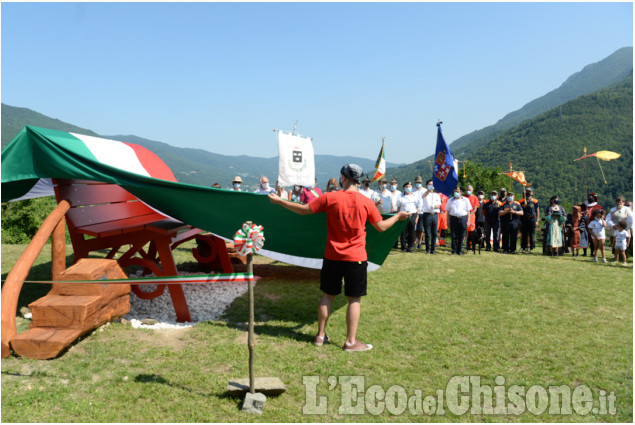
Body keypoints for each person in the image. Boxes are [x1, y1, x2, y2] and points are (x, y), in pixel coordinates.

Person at [267, 163, 409, 351]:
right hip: (356, 257)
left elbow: (304, 210)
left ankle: (319, 335)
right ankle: (350, 342)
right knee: (354, 299)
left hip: (332, 255)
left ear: (343, 178)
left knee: (328, 295)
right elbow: (381, 227)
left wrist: (280, 201)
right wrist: (398, 216)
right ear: (358, 180)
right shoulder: (366, 202)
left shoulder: (330, 197)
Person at [446, 187, 472, 255]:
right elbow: (448, 211)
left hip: (463, 218)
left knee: (461, 235)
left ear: (461, 192)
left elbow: (468, 211)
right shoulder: (450, 200)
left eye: (458, 191)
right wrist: (448, 221)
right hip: (453, 218)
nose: (456, 193)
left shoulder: (465, 200)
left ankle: (459, 250)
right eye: (455, 191)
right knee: (454, 235)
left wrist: (468, 220)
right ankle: (454, 250)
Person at [395, 181, 420, 252]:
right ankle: (403, 247)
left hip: (413, 214)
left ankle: (409, 247)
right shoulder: (400, 196)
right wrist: (398, 216)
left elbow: (417, 207)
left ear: (411, 187)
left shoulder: (415, 196)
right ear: (404, 188)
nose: (408, 188)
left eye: (409, 187)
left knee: (411, 231)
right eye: (406, 187)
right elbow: (398, 207)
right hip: (403, 215)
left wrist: (417, 216)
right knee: (403, 231)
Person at [420, 179, 442, 254]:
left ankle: (433, 249)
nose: (431, 186)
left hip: (435, 214)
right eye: (429, 184)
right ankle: (428, 249)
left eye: (432, 184)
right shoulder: (424, 193)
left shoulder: (437, 195)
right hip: (427, 214)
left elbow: (439, 205)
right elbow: (423, 196)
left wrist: (435, 206)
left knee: (434, 233)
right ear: (427, 185)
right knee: (427, 233)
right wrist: (428, 190)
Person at [518, 188, 540, 253]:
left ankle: (531, 248)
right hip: (524, 218)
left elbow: (537, 211)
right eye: (527, 191)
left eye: (529, 192)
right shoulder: (521, 201)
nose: (528, 193)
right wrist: (519, 220)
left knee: (532, 234)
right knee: (524, 233)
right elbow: (519, 211)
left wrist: (537, 221)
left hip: (532, 218)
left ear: (532, 193)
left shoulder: (535, 201)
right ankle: (523, 247)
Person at [464, 185, 479, 251]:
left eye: (469, 190)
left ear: (472, 190)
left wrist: (470, 214)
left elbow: (475, 208)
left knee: (471, 230)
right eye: (467, 189)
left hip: (472, 215)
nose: (468, 191)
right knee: (464, 229)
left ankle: (470, 244)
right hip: (464, 215)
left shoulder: (475, 197)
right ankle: (462, 243)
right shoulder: (463, 197)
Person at [413, 176, 426, 249]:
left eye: (420, 182)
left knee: (421, 229)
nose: (418, 183)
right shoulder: (412, 190)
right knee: (414, 229)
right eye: (417, 182)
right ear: (415, 182)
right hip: (414, 211)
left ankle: (420, 243)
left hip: (422, 211)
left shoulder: (425, 190)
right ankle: (414, 242)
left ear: (422, 182)